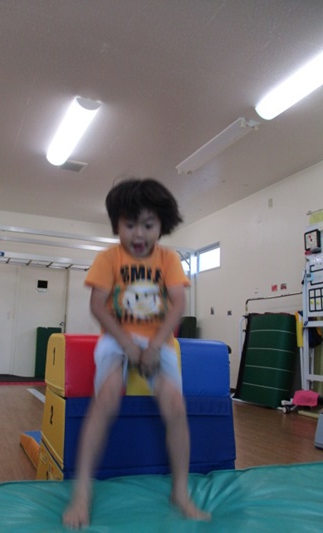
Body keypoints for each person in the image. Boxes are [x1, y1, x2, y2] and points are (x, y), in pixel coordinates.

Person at [63, 178, 210, 529]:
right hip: (117, 337)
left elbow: (178, 305)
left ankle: (180, 491)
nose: (139, 234)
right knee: (107, 397)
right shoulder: (108, 258)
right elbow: (98, 307)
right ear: (117, 225)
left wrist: (155, 345)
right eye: (130, 225)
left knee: (175, 405)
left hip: (159, 339)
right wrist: (128, 344)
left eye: (148, 225)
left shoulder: (168, 259)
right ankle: (82, 492)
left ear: (161, 224)